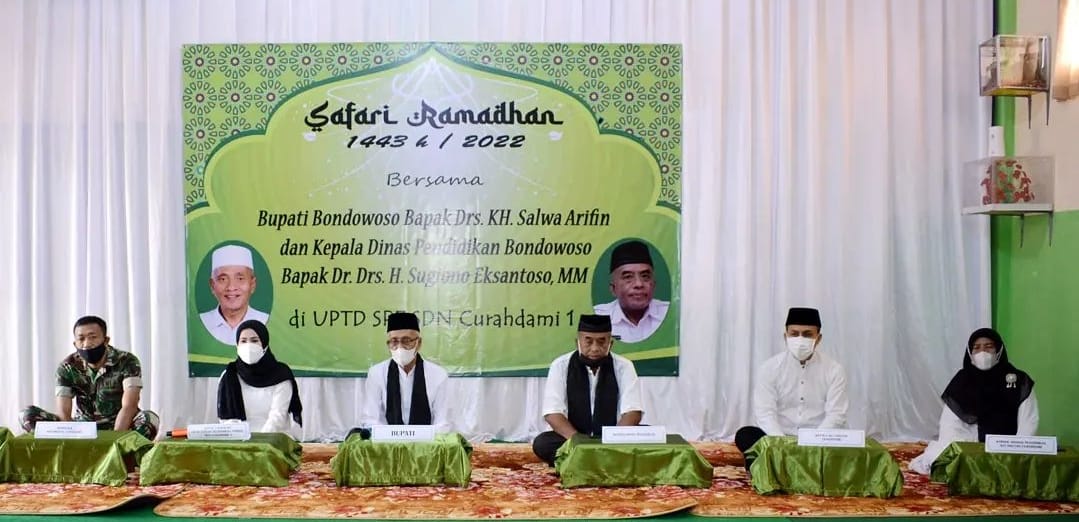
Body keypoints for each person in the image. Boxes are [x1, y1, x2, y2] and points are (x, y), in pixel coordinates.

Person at [909, 327, 1037, 475]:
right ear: (970, 353)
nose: (983, 352)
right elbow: (950, 426)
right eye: (976, 348)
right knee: (941, 457)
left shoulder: (1018, 380)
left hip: (1007, 448)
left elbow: (1029, 421)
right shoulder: (962, 381)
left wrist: (1016, 450)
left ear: (999, 350)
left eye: (989, 346)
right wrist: (971, 450)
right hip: (969, 445)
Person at [735, 307, 848, 467]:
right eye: (794, 334)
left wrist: (813, 442)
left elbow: (836, 415)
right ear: (785, 336)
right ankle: (794, 463)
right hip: (779, 438)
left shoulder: (834, 370)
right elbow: (765, 413)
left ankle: (776, 465)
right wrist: (782, 444)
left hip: (819, 440)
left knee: (848, 443)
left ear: (818, 338)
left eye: (807, 334)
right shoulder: (769, 368)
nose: (800, 339)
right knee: (745, 435)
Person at [19, 316, 160, 440]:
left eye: (93, 337)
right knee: (27, 415)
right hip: (82, 430)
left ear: (106, 340)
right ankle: (69, 454)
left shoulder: (127, 361)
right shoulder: (67, 367)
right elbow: (63, 412)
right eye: (81, 339)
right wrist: (71, 438)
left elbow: (130, 405)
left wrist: (113, 440)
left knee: (150, 419)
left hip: (120, 427)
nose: (87, 344)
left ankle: (122, 455)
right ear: (75, 344)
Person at [532, 314, 645, 466]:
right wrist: (579, 442)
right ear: (577, 342)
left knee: (649, 438)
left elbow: (633, 412)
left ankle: (582, 462)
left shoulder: (624, 366)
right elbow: (553, 413)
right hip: (574, 438)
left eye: (601, 342)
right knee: (543, 443)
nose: (595, 348)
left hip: (613, 439)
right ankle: (604, 461)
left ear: (610, 344)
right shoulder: (560, 365)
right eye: (588, 341)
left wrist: (614, 441)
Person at [360, 312, 451, 432]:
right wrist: (391, 437)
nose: (400, 347)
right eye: (394, 341)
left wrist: (420, 437)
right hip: (387, 441)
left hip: (426, 442)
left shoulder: (438, 375)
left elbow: (442, 422)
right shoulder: (377, 373)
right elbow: (371, 419)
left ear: (419, 343)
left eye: (406, 340)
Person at [217, 319, 303, 436]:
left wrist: (260, 441)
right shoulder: (229, 375)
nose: (248, 345)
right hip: (240, 441)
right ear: (237, 345)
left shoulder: (281, 374)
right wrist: (239, 438)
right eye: (243, 341)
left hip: (275, 440)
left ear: (264, 344)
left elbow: (278, 417)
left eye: (254, 340)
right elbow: (226, 419)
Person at [593, 240, 669, 343]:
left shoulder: (670, 314)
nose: (639, 284)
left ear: (654, 285)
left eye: (645, 276)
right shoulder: (597, 318)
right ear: (613, 289)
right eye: (628, 277)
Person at [200, 244, 268, 344]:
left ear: (252, 284)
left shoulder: (264, 321)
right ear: (212, 286)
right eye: (223, 279)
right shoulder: (201, 322)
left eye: (240, 278)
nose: (231, 287)